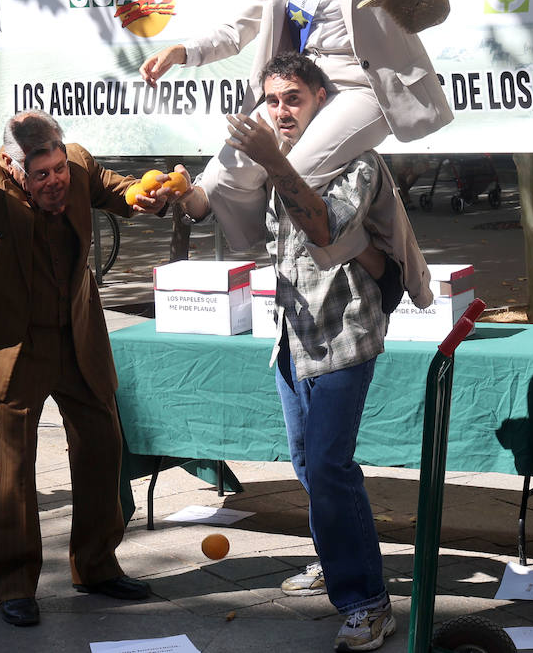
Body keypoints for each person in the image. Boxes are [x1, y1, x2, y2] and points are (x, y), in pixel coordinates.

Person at [161, 53, 400, 652]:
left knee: (328, 465)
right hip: (292, 335)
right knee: (306, 462)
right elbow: (215, 206)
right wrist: (182, 194)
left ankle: (368, 603)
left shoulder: (356, 160)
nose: (281, 110)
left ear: (323, 99)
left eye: (294, 97)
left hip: (345, 335)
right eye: (272, 100)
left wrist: (272, 160)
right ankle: (336, 558)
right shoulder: (273, 162)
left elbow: (325, 229)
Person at [139, 0, 479, 258]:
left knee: (296, 177)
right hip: (300, 86)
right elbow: (240, 27)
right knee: (225, 174)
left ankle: (369, 261)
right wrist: (183, 52)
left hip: (362, 86)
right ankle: (263, 245)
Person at [0, 47, 152, 628]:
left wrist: (145, 194)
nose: (56, 181)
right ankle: (14, 584)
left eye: (58, 169)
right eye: (42, 175)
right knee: (16, 466)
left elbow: (117, 188)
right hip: (18, 345)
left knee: (103, 445)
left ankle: (97, 565)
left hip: (77, 337)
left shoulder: (77, 164)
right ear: (17, 172)